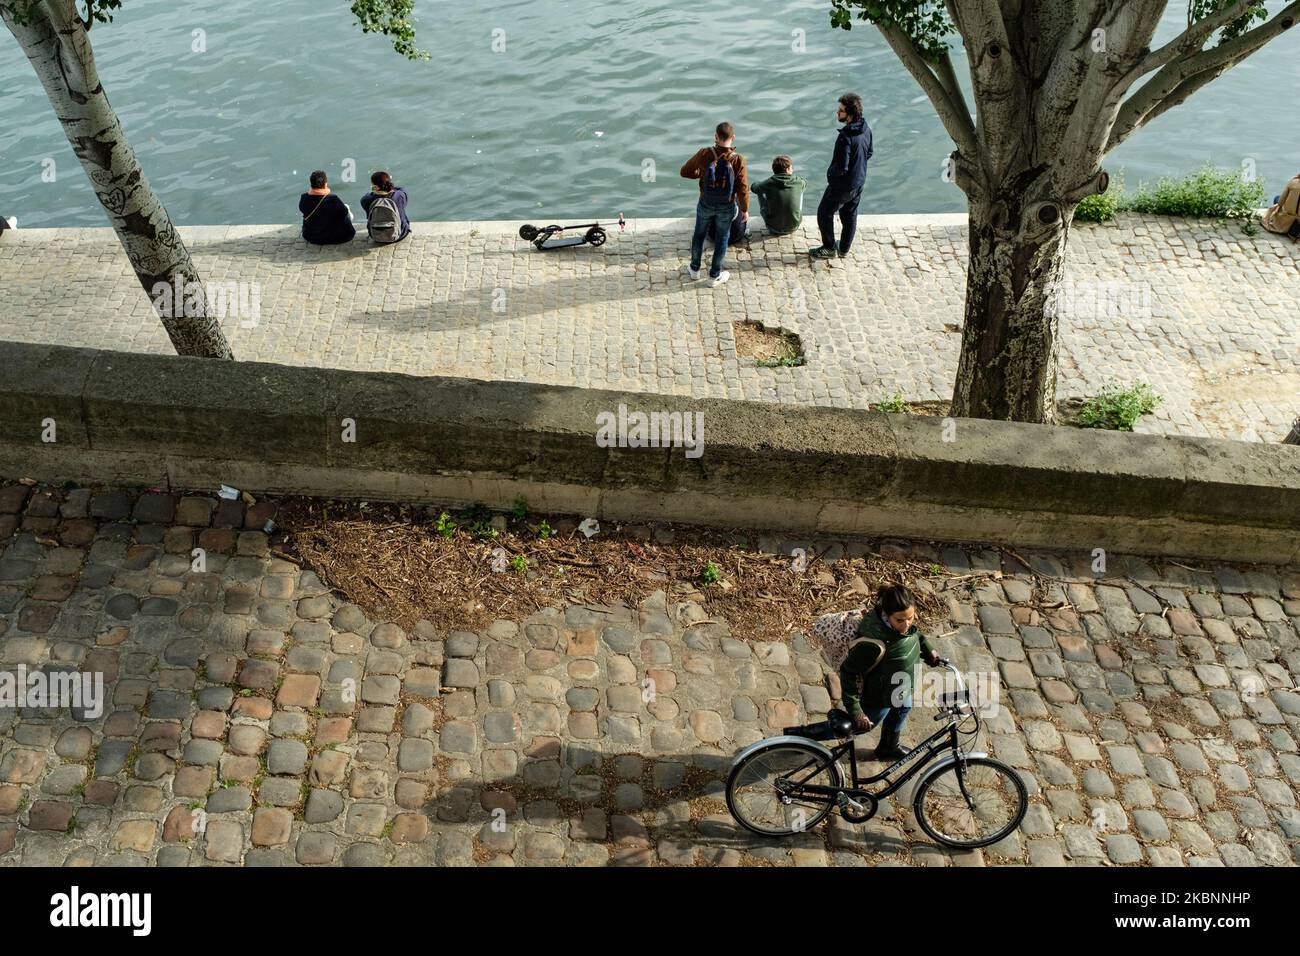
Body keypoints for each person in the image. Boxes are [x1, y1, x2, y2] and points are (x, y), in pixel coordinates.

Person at [838, 584, 941, 760]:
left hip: (898, 688)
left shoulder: (900, 627)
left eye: (910, 618)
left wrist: (928, 649)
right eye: (900, 620)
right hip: (879, 696)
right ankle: (801, 738)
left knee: (904, 706)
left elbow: (914, 636)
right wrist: (856, 710)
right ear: (887, 614)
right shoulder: (873, 643)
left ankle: (889, 747)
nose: (906, 624)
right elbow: (848, 671)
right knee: (854, 727)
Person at [680, 122, 750, 287]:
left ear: (716, 137)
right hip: (727, 205)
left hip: (706, 202)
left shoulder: (705, 153)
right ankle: (714, 276)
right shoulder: (738, 160)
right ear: (733, 138)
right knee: (722, 238)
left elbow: (685, 171)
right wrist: (745, 209)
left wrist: (701, 174)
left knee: (699, 234)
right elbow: (743, 188)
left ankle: (695, 269)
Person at [809, 93, 873, 259]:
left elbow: (841, 166)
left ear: (850, 114)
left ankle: (829, 247)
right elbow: (869, 153)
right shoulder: (866, 129)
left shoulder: (845, 137)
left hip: (843, 186)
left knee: (824, 213)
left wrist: (830, 175)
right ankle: (844, 249)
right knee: (850, 215)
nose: (838, 113)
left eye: (841, 111)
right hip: (859, 182)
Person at [751, 155, 808, 236]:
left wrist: (759, 184)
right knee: (800, 189)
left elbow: (754, 188)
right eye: (792, 168)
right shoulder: (798, 182)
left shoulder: (769, 183)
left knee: (760, 191)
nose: (793, 169)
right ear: (787, 169)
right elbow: (805, 182)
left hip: (773, 228)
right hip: (794, 227)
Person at [298, 171, 355, 245]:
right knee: (346, 208)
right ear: (325, 184)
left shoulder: (304, 198)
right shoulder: (333, 199)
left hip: (313, 237)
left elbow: (302, 209)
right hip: (339, 237)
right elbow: (344, 213)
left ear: (311, 184)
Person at [360, 170, 411, 243]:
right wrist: (388, 184)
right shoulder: (400, 196)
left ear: (374, 186)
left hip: (375, 236)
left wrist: (374, 190)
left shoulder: (366, 200)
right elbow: (401, 189)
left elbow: (368, 196)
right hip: (400, 234)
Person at [1261, 171, 1300, 238]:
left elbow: (1281, 202)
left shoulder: (1293, 182)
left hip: (1288, 215)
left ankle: (1278, 218)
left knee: (1277, 198)